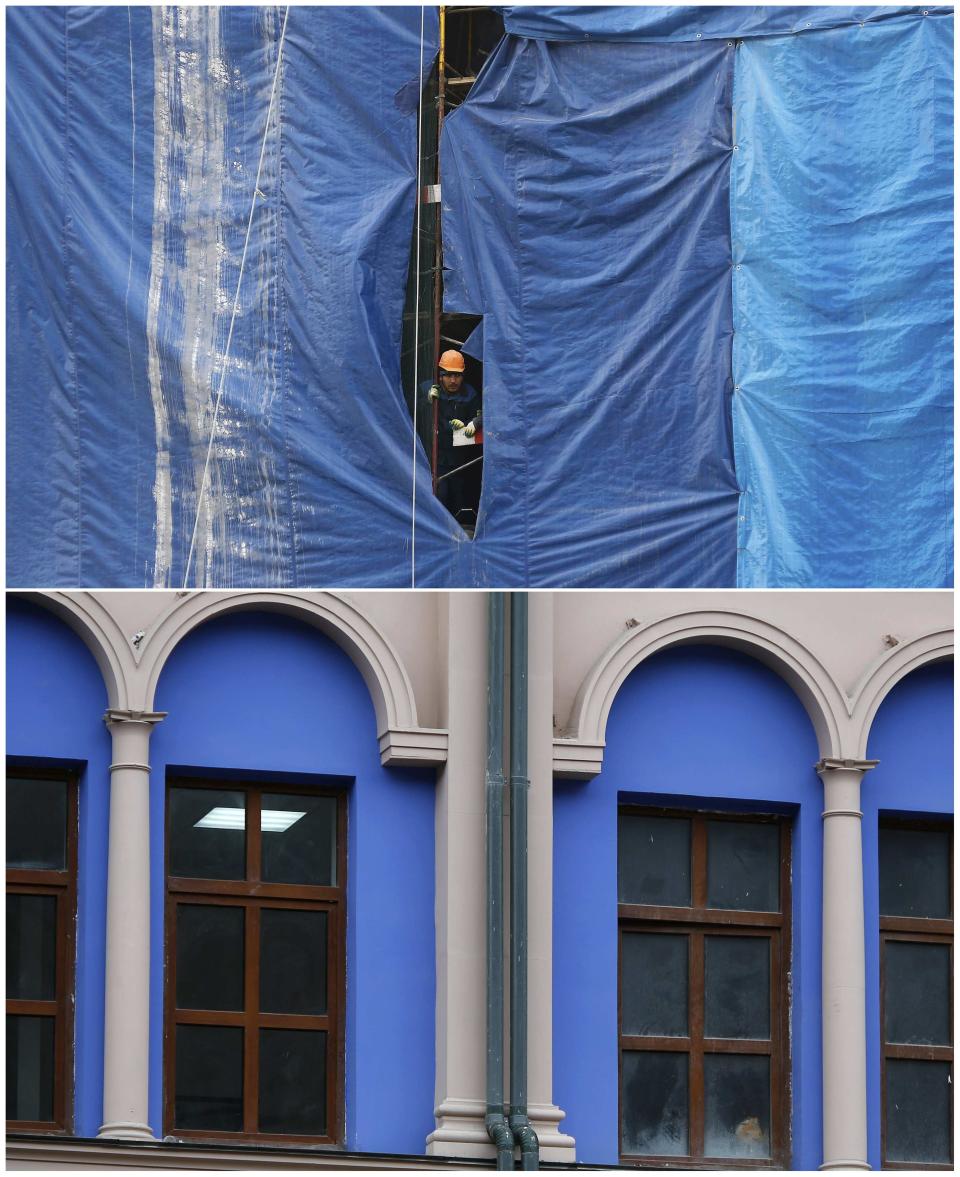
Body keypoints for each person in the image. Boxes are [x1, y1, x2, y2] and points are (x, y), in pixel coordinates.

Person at [423, 350, 483, 527]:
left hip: (462, 459)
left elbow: (486, 413)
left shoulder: (470, 395)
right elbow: (407, 408)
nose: (453, 380)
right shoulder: (429, 389)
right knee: (440, 494)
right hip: (436, 456)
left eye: (457, 375)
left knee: (460, 496)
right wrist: (425, 400)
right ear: (440, 376)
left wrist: (475, 422)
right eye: (448, 375)